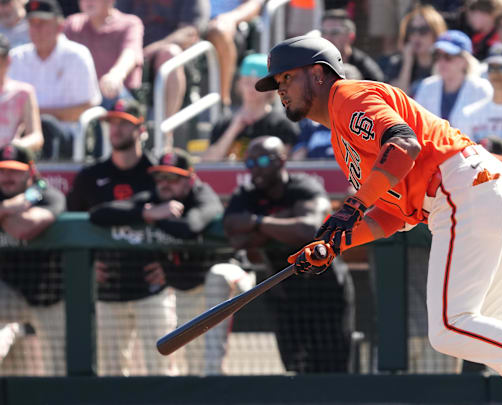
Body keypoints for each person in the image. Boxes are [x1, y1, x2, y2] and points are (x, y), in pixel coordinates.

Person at [255, 35, 502, 404]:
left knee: (448, 329)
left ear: (317, 73)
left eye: (286, 78)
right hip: (484, 189)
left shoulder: (347, 96)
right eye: (277, 83)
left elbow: (403, 143)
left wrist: (354, 204)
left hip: (463, 187)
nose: (280, 90)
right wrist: (335, 244)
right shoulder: (340, 137)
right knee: (488, 337)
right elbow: (394, 216)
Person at [87, 148, 248, 376]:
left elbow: (189, 228)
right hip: (188, 287)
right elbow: (98, 214)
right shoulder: (155, 200)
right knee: (194, 365)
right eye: (159, 177)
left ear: (189, 179)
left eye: (172, 178)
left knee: (211, 362)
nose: (164, 183)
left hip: (230, 281)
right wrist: (147, 213)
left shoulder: (203, 195)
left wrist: (154, 218)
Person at [223, 136, 355, 373]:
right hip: (284, 292)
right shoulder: (246, 194)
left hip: (326, 290)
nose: (255, 168)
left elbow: (309, 229)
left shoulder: (303, 186)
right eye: (250, 162)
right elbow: (234, 233)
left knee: (333, 366)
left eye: (262, 160)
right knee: (295, 368)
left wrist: (257, 223)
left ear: (282, 160)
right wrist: (282, 223)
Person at [66, 99, 177, 376]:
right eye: (111, 123)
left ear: (141, 129)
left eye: (124, 123)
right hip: (107, 291)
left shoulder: (159, 173)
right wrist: (88, 268)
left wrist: (170, 268)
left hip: (153, 290)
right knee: (111, 376)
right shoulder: (90, 177)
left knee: (163, 373)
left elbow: (186, 220)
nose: (115, 129)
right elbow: (70, 226)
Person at [0, 144, 66, 375]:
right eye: (2, 170)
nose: (7, 177)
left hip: (49, 294)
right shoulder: (6, 197)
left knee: (59, 370)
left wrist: (5, 214)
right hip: (9, 292)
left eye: (15, 171)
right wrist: (8, 206)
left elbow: (22, 229)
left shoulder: (47, 194)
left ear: (30, 171)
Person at [8, 0, 101, 160]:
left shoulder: (77, 56)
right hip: (22, 137)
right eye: (32, 23)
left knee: (48, 127)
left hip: (69, 137)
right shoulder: (16, 58)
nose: (36, 29)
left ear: (59, 26)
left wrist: (36, 117)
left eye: (42, 23)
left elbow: (85, 107)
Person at [115, 0, 210, 148]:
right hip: (132, 56)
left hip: (178, 61)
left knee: (169, 55)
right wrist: (134, 54)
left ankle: (165, 136)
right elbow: (117, 22)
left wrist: (152, 49)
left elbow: (189, 32)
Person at [203, 53, 299, 161]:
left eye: (257, 83)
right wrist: (234, 129)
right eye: (247, 81)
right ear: (239, 83)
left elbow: (283, 162)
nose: (251, 88)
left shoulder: (282, 125)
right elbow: (207, 163)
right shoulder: (224, 123)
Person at [63, 0, 144, 108]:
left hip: (117, 98)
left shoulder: (129, 23)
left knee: (114, 98)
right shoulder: (72, 24)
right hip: (81, 99)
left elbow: (131, 53)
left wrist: (116, 75)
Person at [413, 30, 491, 126]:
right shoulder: (427, 86)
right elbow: (417, 124)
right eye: (438, 56)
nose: (441, 61)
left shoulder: (481, 89)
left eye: (448, 56)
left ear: (464, 60)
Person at [205, 0, 265, 109]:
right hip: (190, 22)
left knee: (218, 31)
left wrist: (231, 18)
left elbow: (254, 4)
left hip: (228, 26)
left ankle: (222, 103)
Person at [379, 5, 447, 95]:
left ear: (436, 32)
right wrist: (407, 63)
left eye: (423, 30)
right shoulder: (397, 63)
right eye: (411, 30)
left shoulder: (448, 60)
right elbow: (399, 98)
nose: (416, 36)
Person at [0, 33, 43, 152]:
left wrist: (14, 147)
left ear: (7, 60)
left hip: (10, 164)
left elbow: (36, 137)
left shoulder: (23, 92)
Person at [321, 9, 384, 82]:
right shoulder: (315, 63)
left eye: (335, 32)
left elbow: (381, 87)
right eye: (324, 32)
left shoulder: (364, 66)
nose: (327, 38)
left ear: (350, 37)